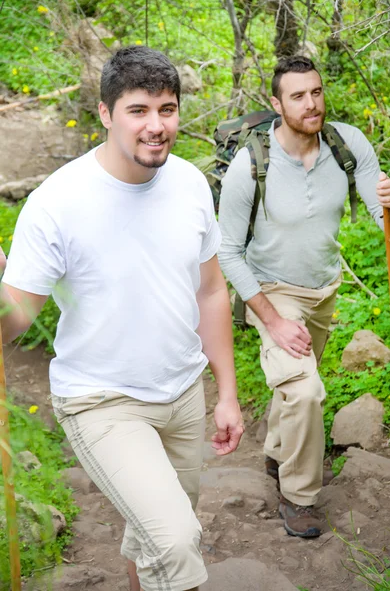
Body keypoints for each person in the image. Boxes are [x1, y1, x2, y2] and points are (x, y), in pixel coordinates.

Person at [0, 45, 244, 591]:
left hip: (182, 393)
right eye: (139, 110)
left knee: (150, 537)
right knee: (177, 540)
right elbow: (14, 320)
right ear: (107, 114)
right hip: (101, 400)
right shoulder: (56, 203)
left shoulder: (190, 185)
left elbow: (209, 291)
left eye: (168, 109)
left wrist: (226, 391)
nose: (157, 126)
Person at [217, 55, 390, 539]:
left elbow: (380, 212)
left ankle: (279, 453)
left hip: (323, 288)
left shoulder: (346, 144)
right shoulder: (250, 166)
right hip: (273, 291)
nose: (311, 103)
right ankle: (299, 497)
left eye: (316, 92)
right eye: (298, 96)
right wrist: (273, 320)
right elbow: (228, 252)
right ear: (277, 104)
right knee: (305, 389)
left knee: (296, 383)